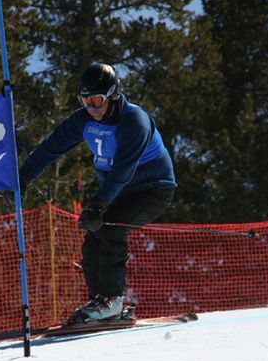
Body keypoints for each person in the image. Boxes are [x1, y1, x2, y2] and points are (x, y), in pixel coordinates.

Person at [18, 63, 176, 323]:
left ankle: (112, 299)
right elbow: (52, 146)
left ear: (113, 95)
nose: (91, 107)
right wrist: (24, 175)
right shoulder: (85, 118)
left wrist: (98, 205)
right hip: (119, 192)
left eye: (96, 100)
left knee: (110, 229)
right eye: (85, 101)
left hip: (152, 189)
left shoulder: (135, 121)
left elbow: (123, 170)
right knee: (92, 241)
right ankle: (101, 302)